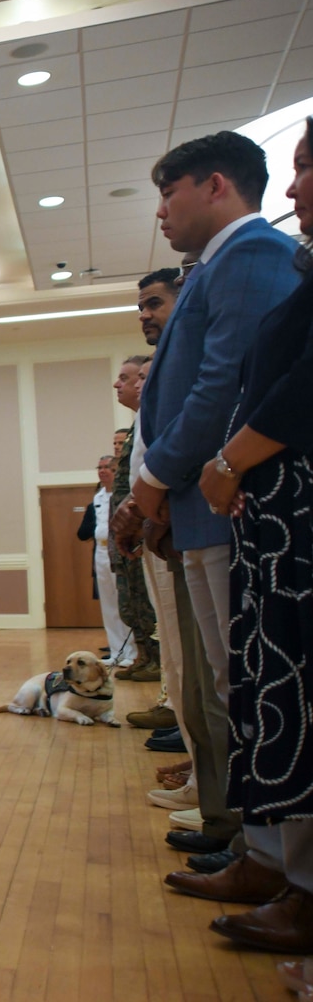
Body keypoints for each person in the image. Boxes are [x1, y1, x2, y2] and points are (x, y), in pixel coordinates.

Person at [127, 130, 302, 856]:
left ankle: (266, 856)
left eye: (170, 193)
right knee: (230, 682)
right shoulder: (213, 268)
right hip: (199, 505)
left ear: (217, 185)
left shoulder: (254, 254)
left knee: (249, 683)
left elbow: (221, 385)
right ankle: (248, 843)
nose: (161, 212)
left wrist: (153, 476)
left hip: (227, 499)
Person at [178, 118, 313, 952]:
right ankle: (277, 860)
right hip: (266, 515)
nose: (295, 188)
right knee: (262, 691)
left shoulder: (257, 255)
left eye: (306, 168)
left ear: (215, 185)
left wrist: (225, 461)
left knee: (277, 692)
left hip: (277, 503)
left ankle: (291, 873)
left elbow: (259, 381)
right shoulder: (284, 265)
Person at [110, 360, 157, 680]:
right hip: (130, 526)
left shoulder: (148, 421)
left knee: (147, 601)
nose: (119, 384)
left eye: (127, 378)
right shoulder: (137, 425)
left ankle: (156, 661)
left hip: (143, 525)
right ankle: (144, 655)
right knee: (131, 602)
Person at [80, 454, 130, 665]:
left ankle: (132, 653)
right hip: (100, 553)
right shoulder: (97, 497)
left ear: (116, 471)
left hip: (119, 551)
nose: (102, 471)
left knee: (124, 604)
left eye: (107, 467)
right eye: (99, 467)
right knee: (108, 605)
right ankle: (116, 651)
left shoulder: (122, 494)